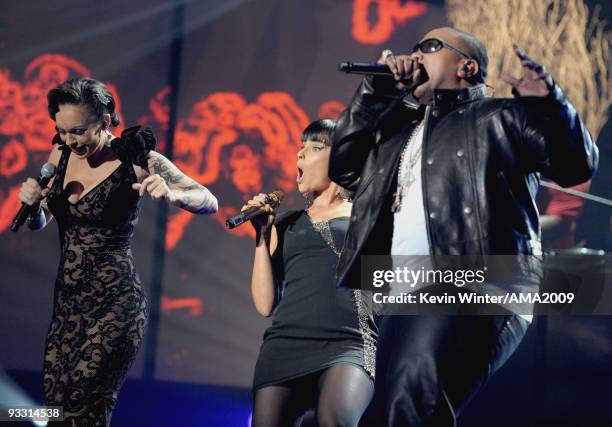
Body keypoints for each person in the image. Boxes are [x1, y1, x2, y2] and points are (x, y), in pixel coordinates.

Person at [329, 27, 598, 426]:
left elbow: (575, 163)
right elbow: (345, 167)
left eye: (430, 47)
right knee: (387, 413)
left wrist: (552, 104)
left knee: (412, 396)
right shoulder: (398, 131)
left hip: (479, 281)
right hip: (406, 290)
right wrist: (376, 91)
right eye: (414, 48)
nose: (416, 54)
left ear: (466, 66)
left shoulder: (500, 116)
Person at [17, 78, 218, 426]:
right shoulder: (60, 154)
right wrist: (34, 205)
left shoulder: (137, 158)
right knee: (57, 409)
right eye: (62, 131)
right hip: (68, 307)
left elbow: (208, 200)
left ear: (105, 121)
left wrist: (173, 194)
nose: (69, 140)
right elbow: (40, 222)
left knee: (83, 405)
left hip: (116, 305)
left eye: (78, 131)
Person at [245, 119, 377, 427]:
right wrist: (261, 236)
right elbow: (265, 305)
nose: (300, 155)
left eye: (315, 147)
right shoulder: (285, 224)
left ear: (343, 157)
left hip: (349, 343)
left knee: (334, 420)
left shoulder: (366, 215)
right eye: (300, 148)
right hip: (285, 345)